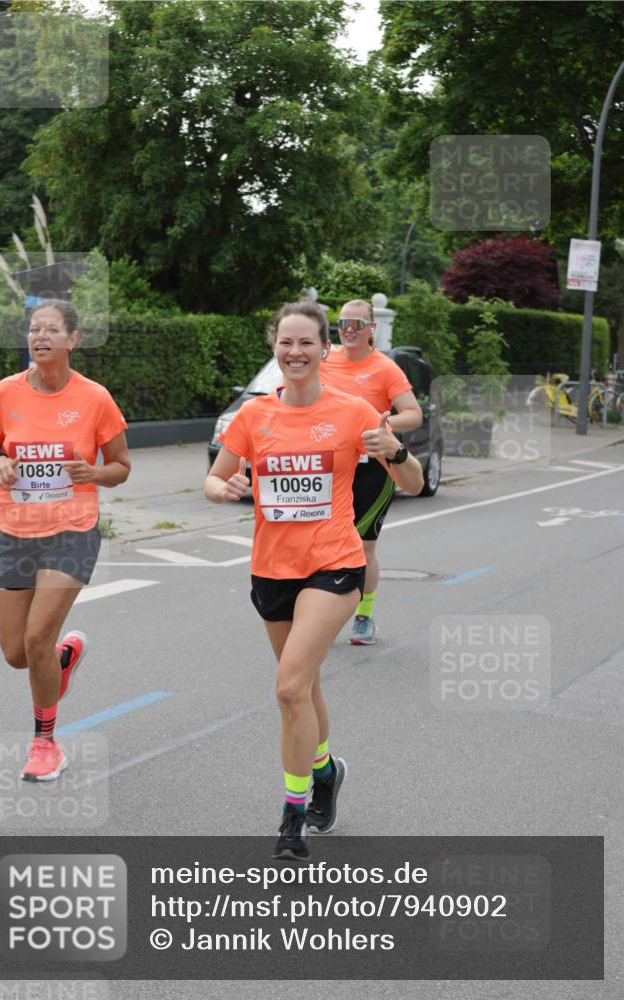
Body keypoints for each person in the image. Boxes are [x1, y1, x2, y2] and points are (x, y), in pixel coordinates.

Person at [204, 300, 423, 859]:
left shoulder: (353, 412)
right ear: (274, 348)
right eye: (286, 342)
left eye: (307, 343)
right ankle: (324, 769)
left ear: (325, 349)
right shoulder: (254, 417)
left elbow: (414, 482)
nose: (295, 352)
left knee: (287, 687)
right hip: (272, 569)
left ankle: (292, 817)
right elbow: (213, 478)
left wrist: (394, 449)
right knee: (305, 687)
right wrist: (221, 489)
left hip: (334, 564)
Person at [0, 299, 130, 782]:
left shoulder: (95, 398)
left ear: (72, 339)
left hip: (72, 529)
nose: (39, 336)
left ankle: (45, 744)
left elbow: (121, 466)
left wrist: (95, 472)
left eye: (50, 329)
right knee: (17, 653)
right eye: (33, 329)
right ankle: (60, 661)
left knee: (38, 635)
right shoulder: (7, 392)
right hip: (15, 531)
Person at [321, 299, 423, 645]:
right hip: (332, 468)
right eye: (343, 322)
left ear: (371, 329)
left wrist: (381, 427)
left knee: (364, 548)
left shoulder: (385, 368)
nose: (349, 329)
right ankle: (321, 610)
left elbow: (413, 413)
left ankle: (363, 615)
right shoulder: (325, 361)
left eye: (357, 323)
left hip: (372, 468)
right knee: (322, 544)